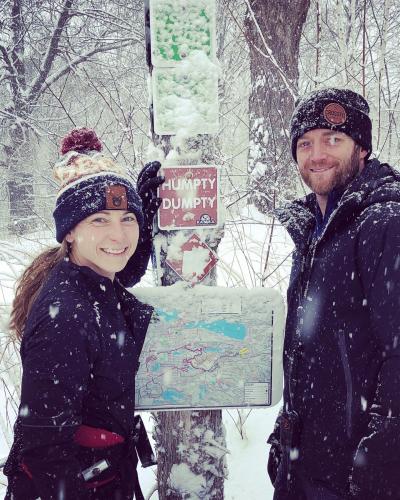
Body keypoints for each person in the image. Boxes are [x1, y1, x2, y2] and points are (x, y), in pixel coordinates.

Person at [4, 128, 164, 499]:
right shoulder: (65, 316)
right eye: (100, 221)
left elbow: (116, 271)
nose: (119, 235)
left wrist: (142, 239)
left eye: (128, 219)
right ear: (70, 232)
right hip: (84, 485)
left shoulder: (87, 281)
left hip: (105, 475)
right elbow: (45, 450)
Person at [267, 88, 400, 500]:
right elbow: (310, 347)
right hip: (308, 463)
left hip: (356, 474)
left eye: (333, 139)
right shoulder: (316, 228)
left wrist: (381, 452)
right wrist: (284, 431)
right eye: (305, 143)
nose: (317, 154)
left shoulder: (384, 222)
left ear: (361, 148)